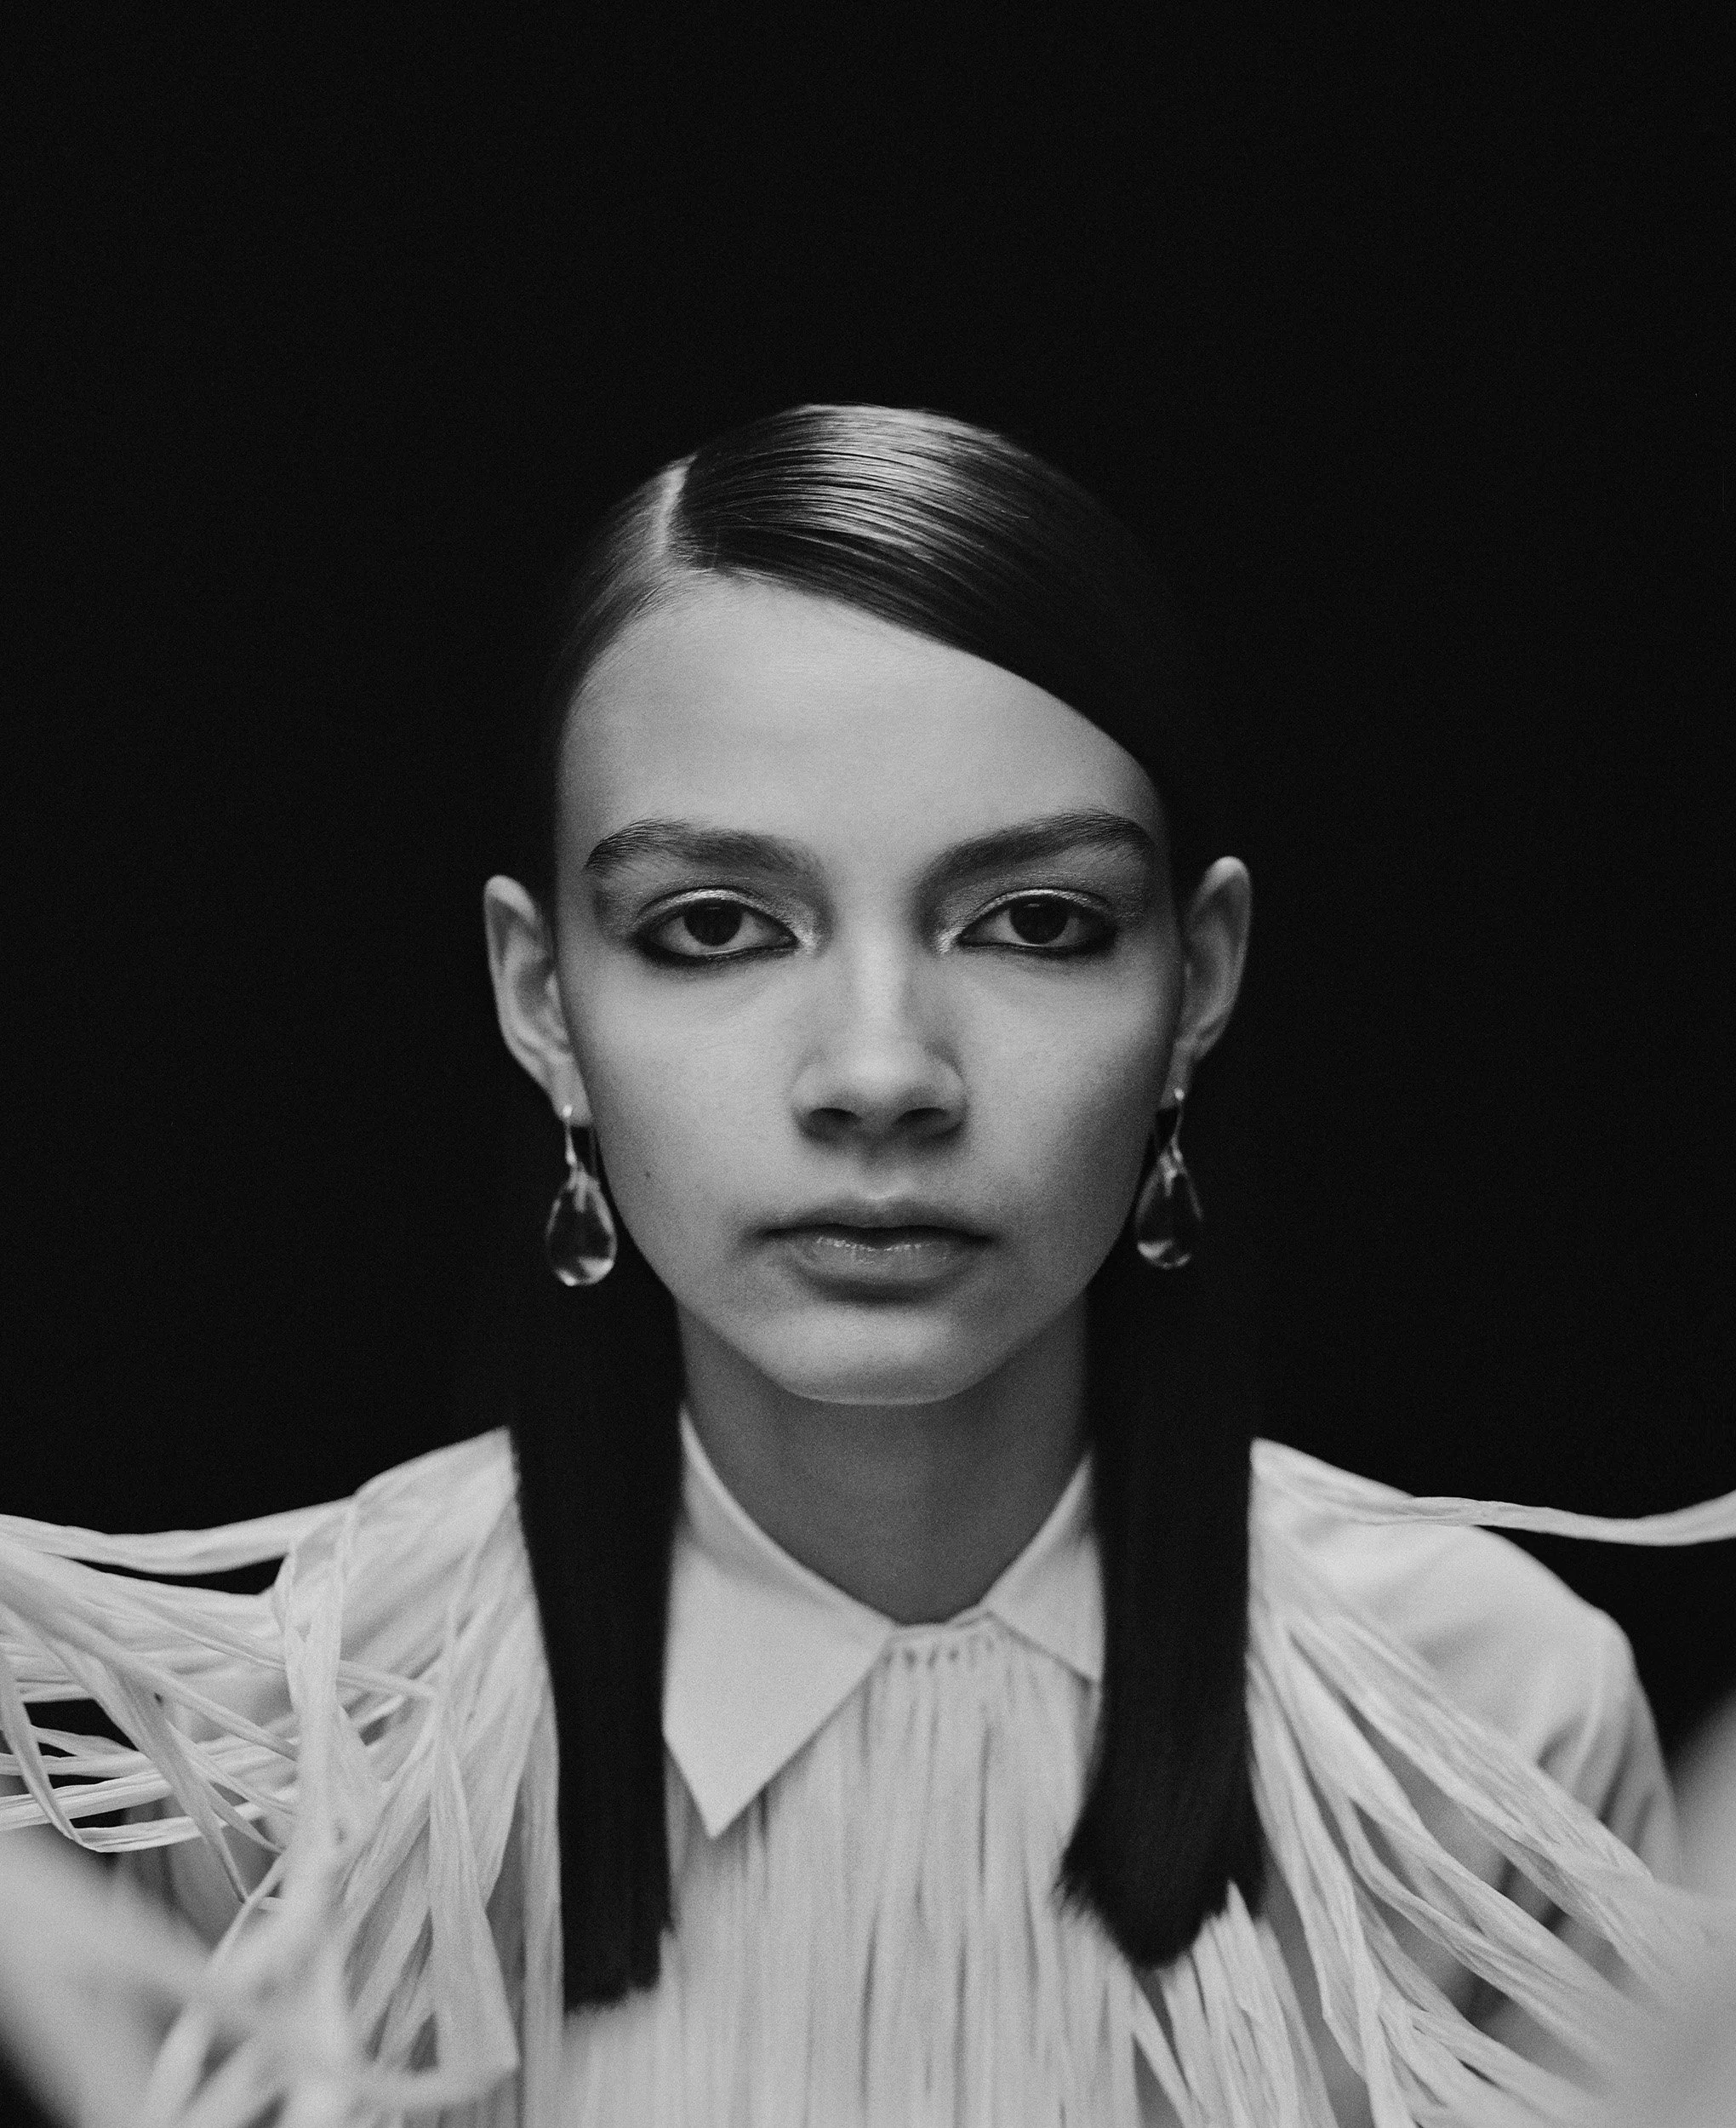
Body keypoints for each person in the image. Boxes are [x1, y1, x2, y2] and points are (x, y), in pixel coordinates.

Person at [1, 403, 1732, 2127]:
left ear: (1198, 979)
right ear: (544, 1001)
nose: (884, 1070)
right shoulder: (307, 1751)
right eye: (714, 927)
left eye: (1037, 921)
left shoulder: (1489, 1716)